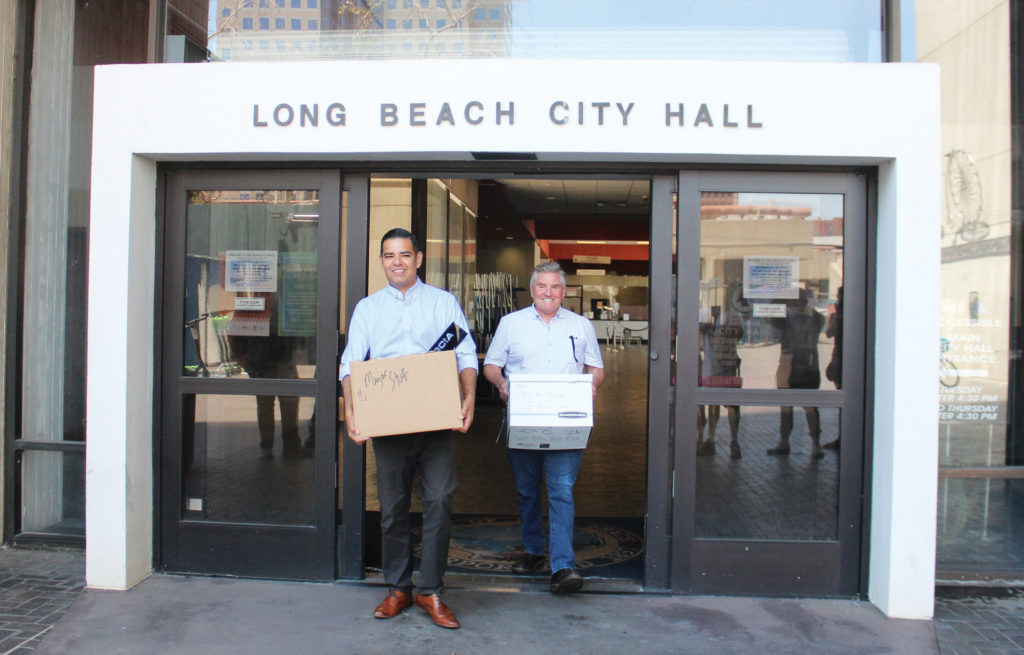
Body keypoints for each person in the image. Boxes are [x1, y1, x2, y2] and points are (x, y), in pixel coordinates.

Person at [339, 228, 477, 630]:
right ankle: (398, 587)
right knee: (393, 507)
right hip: (389, 424)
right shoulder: (367, 309)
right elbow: (350, 365)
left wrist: (468, 397)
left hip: (436, 422)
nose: (396, 262)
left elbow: (465, 352)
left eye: (403, 254)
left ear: (418, 259)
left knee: (439, 502)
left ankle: (430, 589)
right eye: (388, 256)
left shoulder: (443, 302)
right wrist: (352, 409)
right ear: (382, 261)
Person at [483, 262, 605, 594]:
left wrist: (591, 383)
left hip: (566, 420)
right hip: (524, 419)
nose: (548, 293)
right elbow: (491, 365)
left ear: (563, 292)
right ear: (532, 288)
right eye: (542, 287)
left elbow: (596, 367)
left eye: (555, 287)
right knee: (526, 490)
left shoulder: (581, 326)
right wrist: (502, 384)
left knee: (561, 491)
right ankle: (534, 549)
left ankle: (563, 566)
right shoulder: (511, 324)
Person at [767, 288, 825, 459]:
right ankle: (813, 443)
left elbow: (770, 318)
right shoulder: (816, 316)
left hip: (792, 360)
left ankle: (790, 441)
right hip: (809, 361)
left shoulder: (787, 317)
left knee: (791, 404)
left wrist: (778, 301)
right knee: (808, 405)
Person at [697, 305, 743, 459]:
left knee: (732, 405)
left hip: (727, 365)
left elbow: (739, 334)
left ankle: (734, 441)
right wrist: (701, 328)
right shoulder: (703, 315)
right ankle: (710, 439)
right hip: (711, 368)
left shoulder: (731, 315)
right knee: (713, 405)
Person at [822, 286, 843, 450]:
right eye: (838, 297)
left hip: (850, 360)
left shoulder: (856, 312)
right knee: (842, 399)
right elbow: (829, 333)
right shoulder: (837, 316)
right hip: (838, 359)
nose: (839, 300)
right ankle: (842, 436)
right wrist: (836, 316)